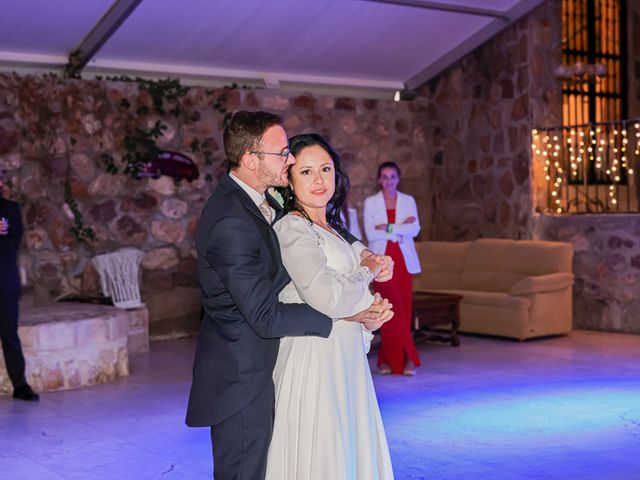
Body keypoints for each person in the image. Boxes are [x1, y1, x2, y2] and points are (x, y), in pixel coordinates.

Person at [185, 111, 393, 480]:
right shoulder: (233, 219)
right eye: (283, 154)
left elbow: (327, 229)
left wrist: (364, 255)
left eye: (324, 169)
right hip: (243, 376)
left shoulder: (261, 198)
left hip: (280, 362)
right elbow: (265, 316)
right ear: (251, 160)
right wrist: (347, 312)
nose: (291, 160)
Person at [266, 133, 394, 479]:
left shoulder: (334, 228)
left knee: (347, 450)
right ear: (289, 179)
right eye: (306, 172)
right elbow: (326, 296)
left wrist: (369, 318)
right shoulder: (293, 227)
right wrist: (367, 269)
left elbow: (347, 300)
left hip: (344, 357)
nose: (319, 180)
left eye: (325, 168)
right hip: (314, 358)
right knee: (322, 454)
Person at [364, 162, 422, 376]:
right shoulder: (371, 202)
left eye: (393, 177)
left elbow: (415, 229)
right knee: (388, 310)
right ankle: (389, 360)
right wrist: (399, 230)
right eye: (385, 177)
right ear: (379, 180)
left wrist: (387, 227)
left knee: (403, 311)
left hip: (403, 262)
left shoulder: (408, 201)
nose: (389, 181)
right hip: (382, 262)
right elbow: (371, 233)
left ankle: (404, 361)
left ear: (398, 179)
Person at [0, 171, 39, 401]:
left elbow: (11, 243)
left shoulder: (11, 209)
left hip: (5, 281)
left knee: (9, 334)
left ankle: (20, 385)